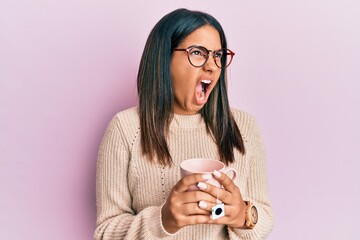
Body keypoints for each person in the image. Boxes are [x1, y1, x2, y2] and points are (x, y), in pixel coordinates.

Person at [94, 8, 274, 240]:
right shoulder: (124, 129)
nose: (212, 65)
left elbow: (265, 216)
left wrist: (243, 215)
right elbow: (105, 233)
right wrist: (163, 220)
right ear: (163, 58)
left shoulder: (244, 127)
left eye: (218, 55)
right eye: (198, 52)